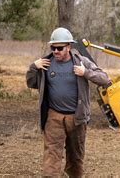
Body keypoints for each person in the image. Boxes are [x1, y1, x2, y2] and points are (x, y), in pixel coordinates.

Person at [26, 27, 111, 177]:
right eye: (53, 47)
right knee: (52, 153)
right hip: (53, 116)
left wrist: (86, 73)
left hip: (77, 117)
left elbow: (105, 79)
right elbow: (31, 83)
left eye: (59, 48)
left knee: (75, 157)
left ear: (69, 47)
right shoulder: (45, 64)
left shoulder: (82, 62)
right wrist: (33, 67)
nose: (56, 51)